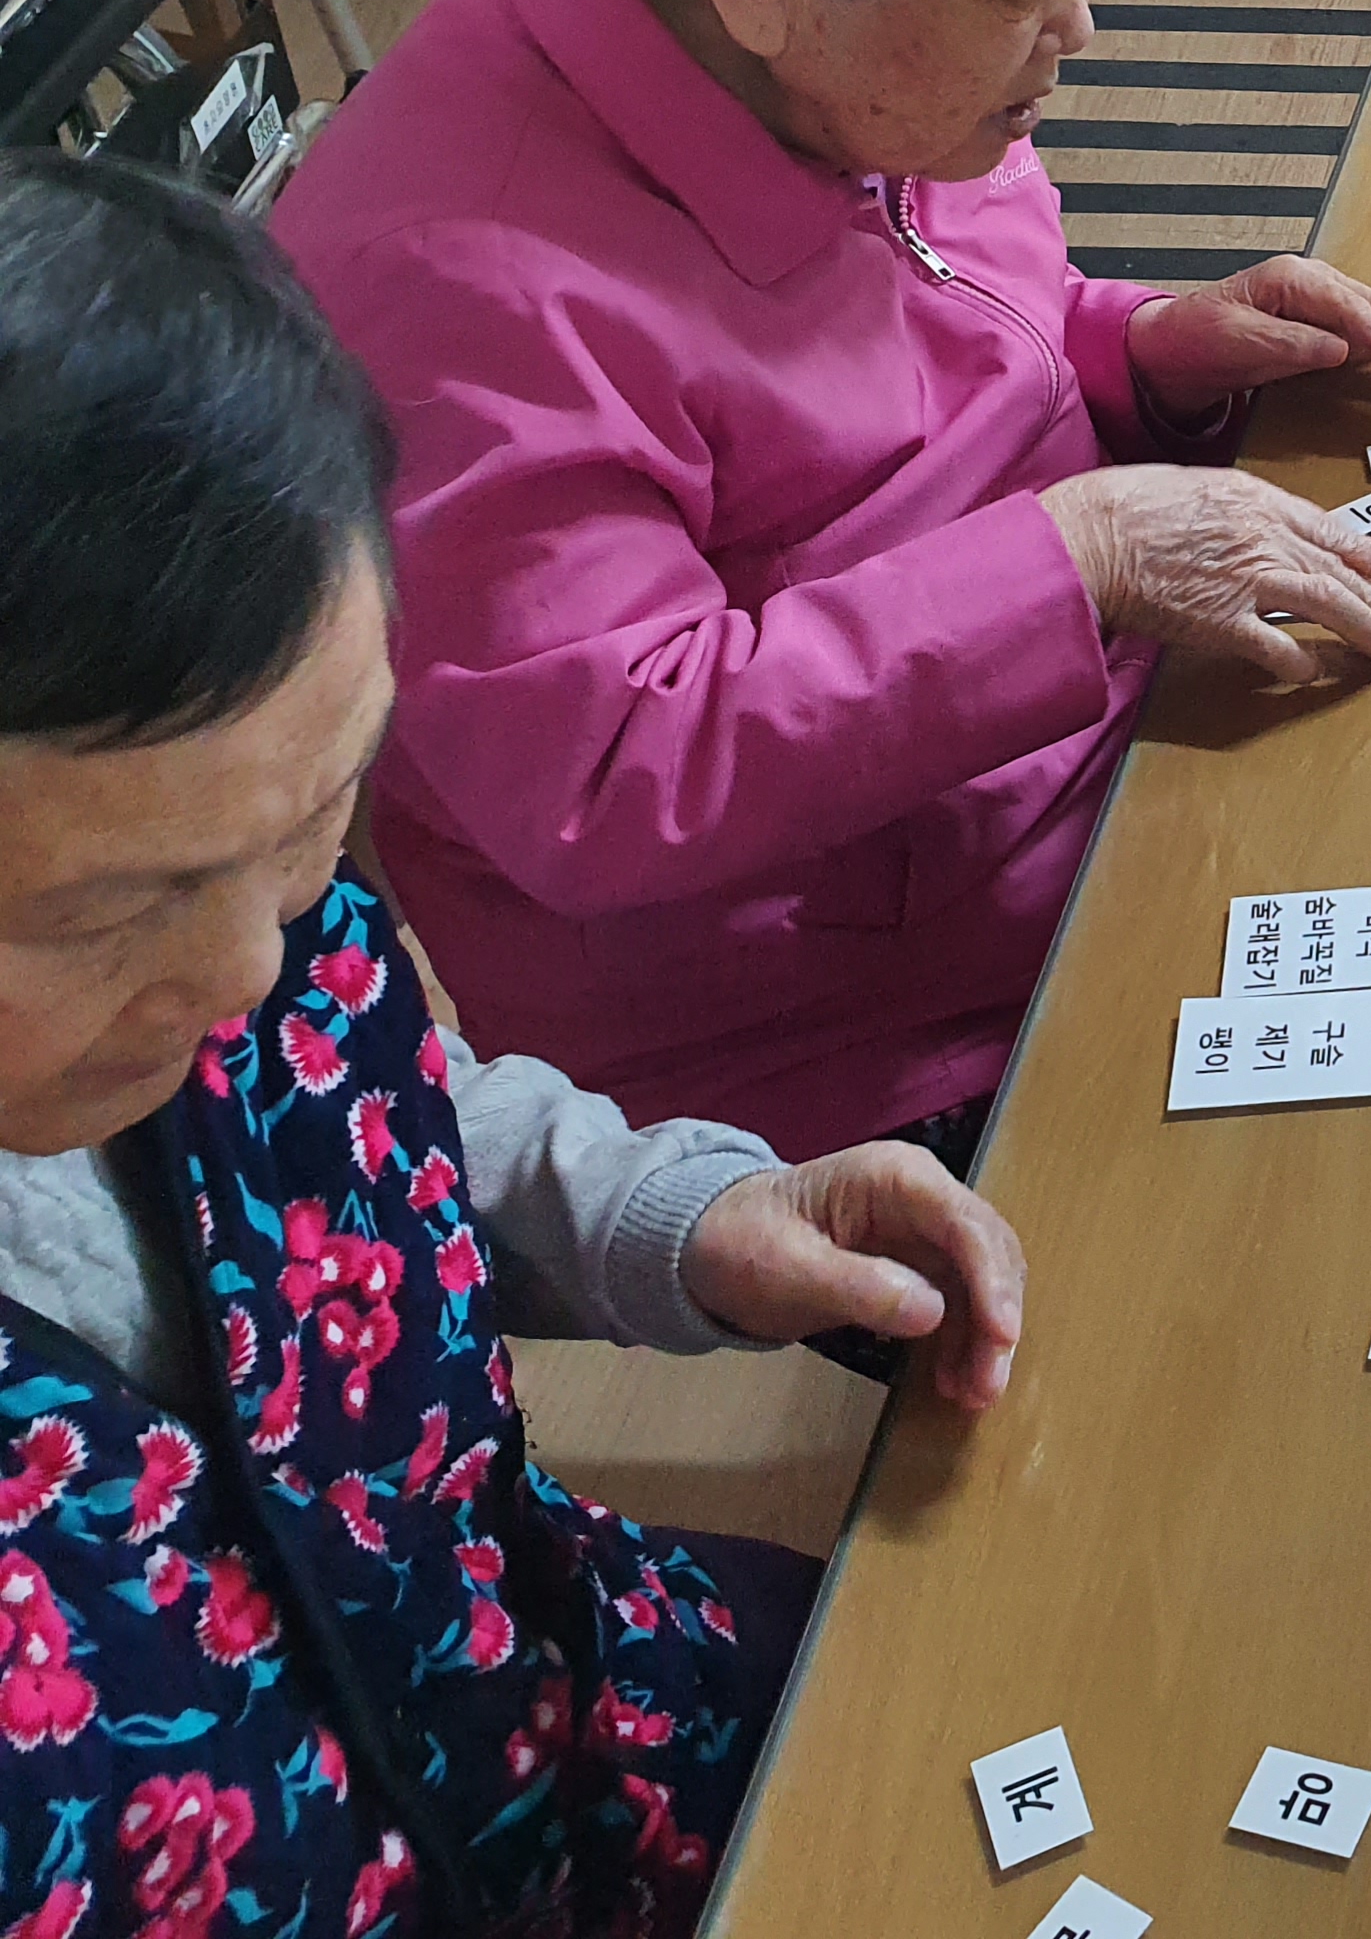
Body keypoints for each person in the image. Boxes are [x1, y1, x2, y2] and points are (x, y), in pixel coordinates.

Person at [272, 0, 1371, 1169]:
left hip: (1067, 771)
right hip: (852, 1052)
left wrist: (1142, 354)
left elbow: (940, 331)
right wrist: (1083, 556)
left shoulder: (824, 50)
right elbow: (605, 775)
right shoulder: (457, 284)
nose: (1083, 23)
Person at [0, 152, 1027, 1928]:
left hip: (563, 1706)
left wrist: (674, 1212)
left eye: (318, 819)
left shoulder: (216, 894)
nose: (245, 971)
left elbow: (370, 1118)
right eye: (105, 912)